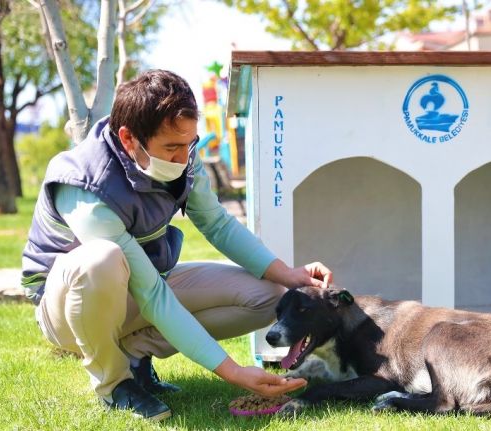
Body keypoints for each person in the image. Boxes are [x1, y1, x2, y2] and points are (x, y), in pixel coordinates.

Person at [21, 69, 333, 421]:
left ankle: (135, 354)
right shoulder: (84, 183)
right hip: (66, 309)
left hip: (138, 286)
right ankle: (113, 383)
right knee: (101, 260)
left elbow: (217, 223)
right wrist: (233, 371)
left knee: (272, 296)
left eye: (189, 144)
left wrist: (287, 274)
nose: (184, 158)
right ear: (128, 139)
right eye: (171, 148)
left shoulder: (182, 151)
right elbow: (152, 294)